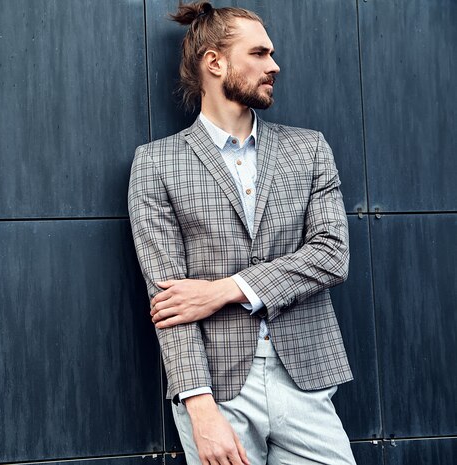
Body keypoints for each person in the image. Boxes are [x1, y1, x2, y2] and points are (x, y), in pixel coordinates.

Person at [127, 2, 356, 465]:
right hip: (218, 390)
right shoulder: (156, 163)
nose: (274, 65)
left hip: (305, 380)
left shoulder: (308, 149)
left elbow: (332, 254)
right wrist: (199, 409)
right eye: (259, 53)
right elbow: (169, 301)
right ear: (215, 62)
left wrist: (225, 290)